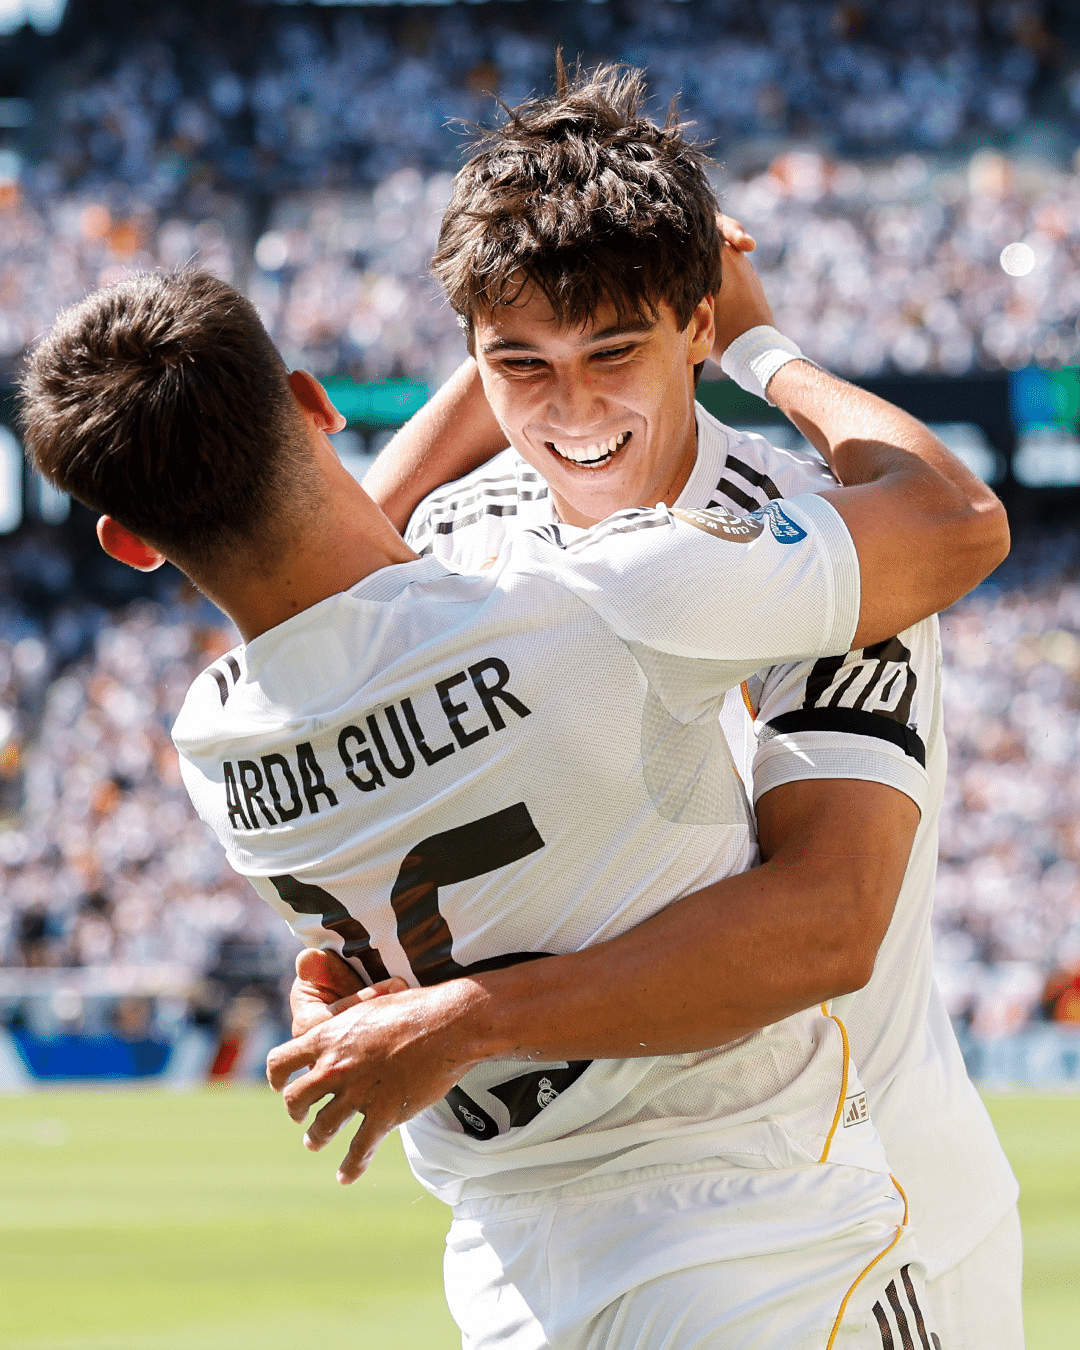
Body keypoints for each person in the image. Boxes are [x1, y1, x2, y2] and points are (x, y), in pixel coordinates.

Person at [20, 263, 1002, 1350]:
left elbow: (357, 597)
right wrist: (754, 343)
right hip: (757, 1250)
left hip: (515, 1287)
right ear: (312, 400)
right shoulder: (584, 599)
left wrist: (508, 336)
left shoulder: (213, 746)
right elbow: (955, 519)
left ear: (130, 541)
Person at [297, 66, 1023, 1349]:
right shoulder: (460, 536)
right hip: (560, 1243)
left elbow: (825, 923)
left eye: (615, 351)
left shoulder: (826, 543)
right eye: (518, 363)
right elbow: (324, 615)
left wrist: (762, 343)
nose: (572, 413)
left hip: (856, 1235)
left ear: (693, 324)